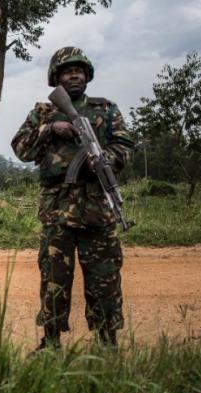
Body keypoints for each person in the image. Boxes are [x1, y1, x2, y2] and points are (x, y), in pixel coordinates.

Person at [11, 47, 134, 349]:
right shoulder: (42, 112)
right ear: (56, 77)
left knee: (104, 281)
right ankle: (50, 342)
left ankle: (108, 343)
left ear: (88, 75)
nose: (75, 74)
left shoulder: (106, 110)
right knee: (54, 282)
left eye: (79, 70)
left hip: (97, 212)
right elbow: (21, 149)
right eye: (68, 70)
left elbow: (125, 146)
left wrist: (104, 159)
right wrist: (51, 129)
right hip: (57, 213)